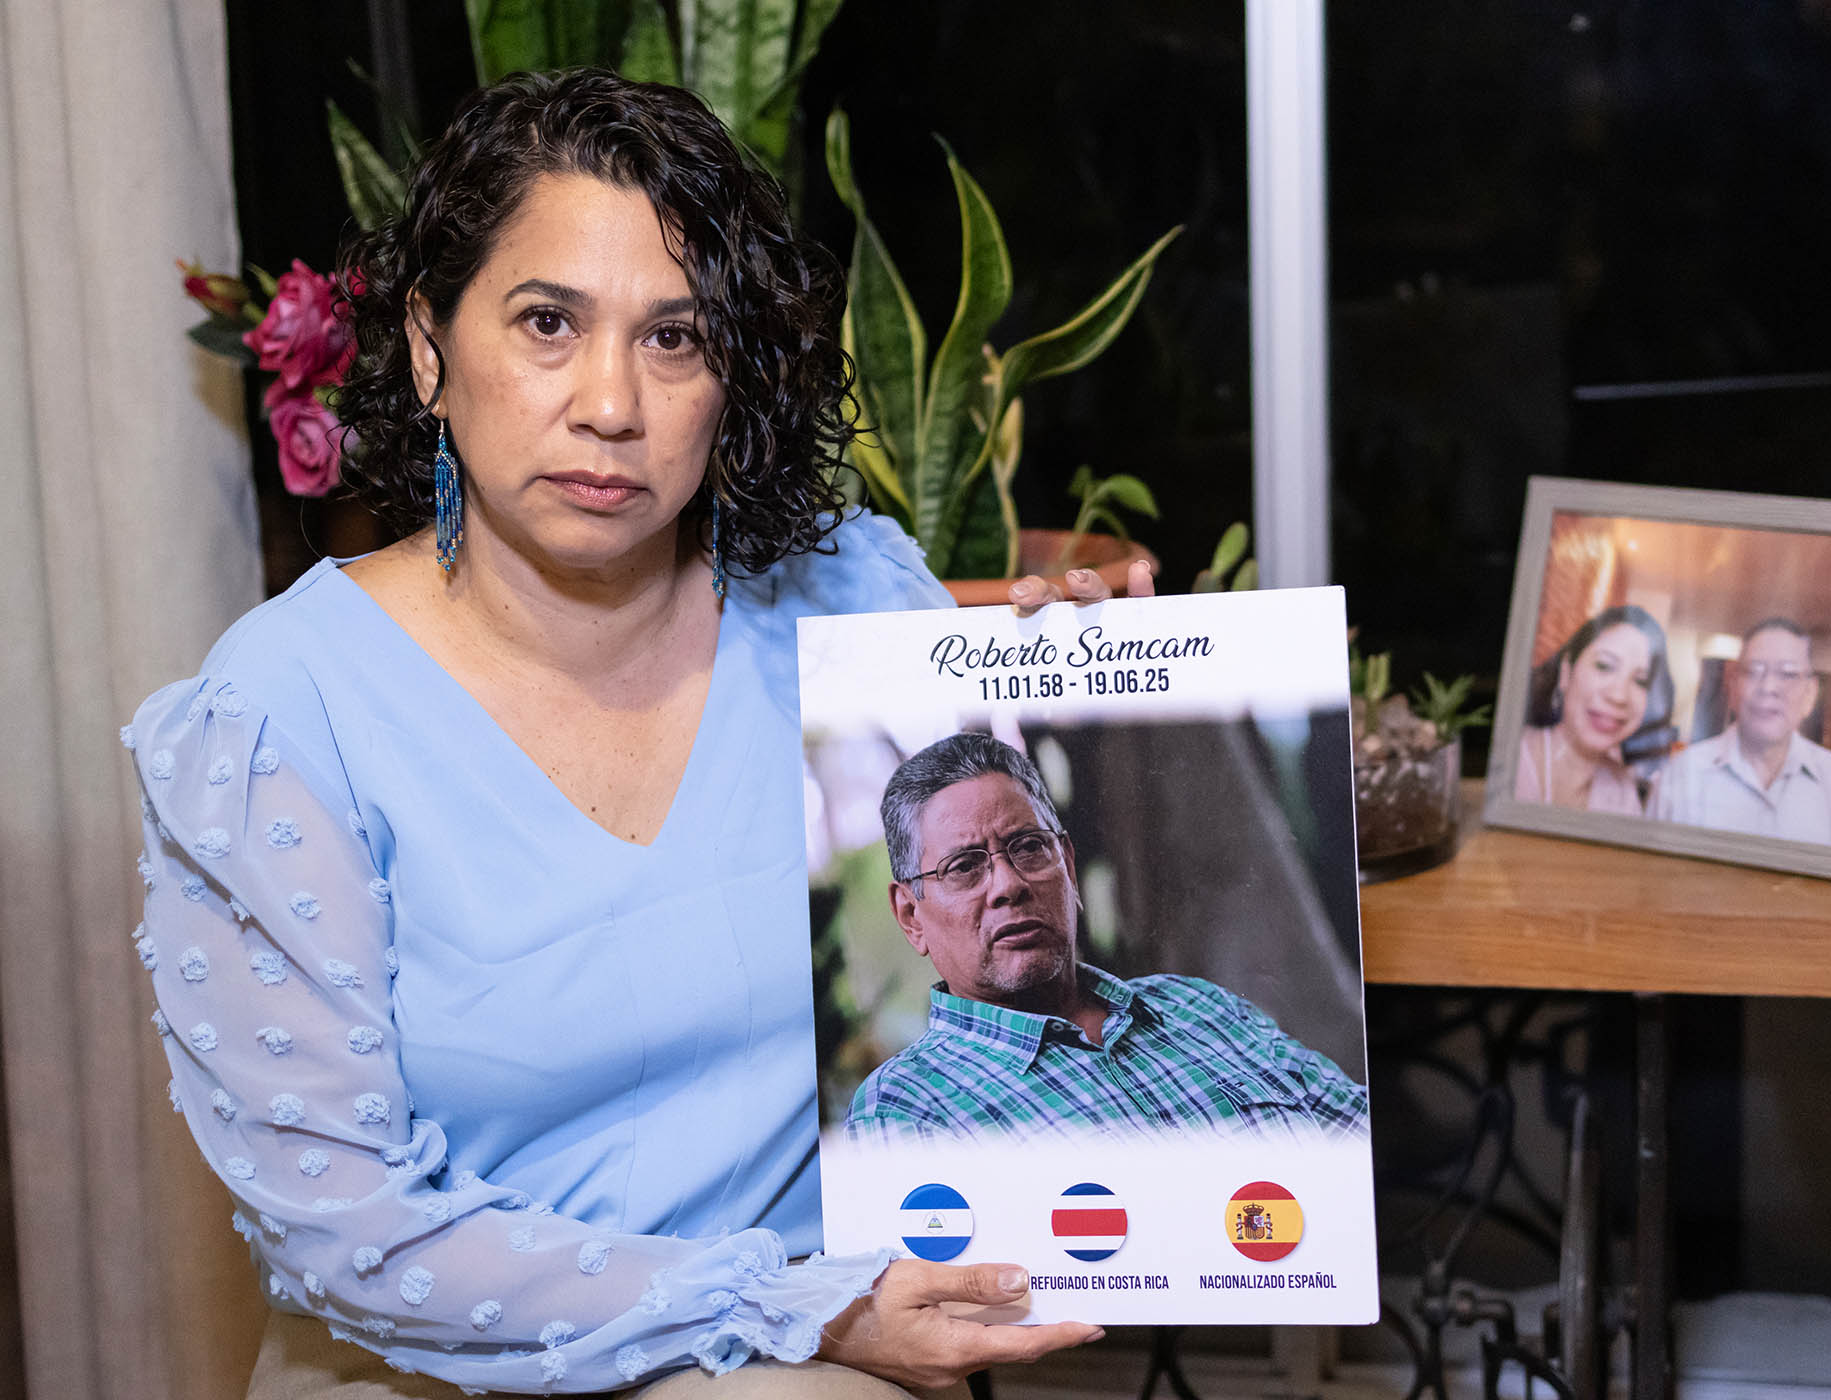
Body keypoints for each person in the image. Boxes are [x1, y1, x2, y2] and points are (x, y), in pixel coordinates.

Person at [125, 71, 1142, 1399]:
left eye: (675, 339)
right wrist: (786, 1310)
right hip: (439, 1362)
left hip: (808, 1349)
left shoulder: (847, 612)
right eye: (549, 322)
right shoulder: (278, 714)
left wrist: (1112, 694)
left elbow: (1029, 945)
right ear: (431, 348)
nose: (611, 403)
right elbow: (351, 1236)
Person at [844, 732, 1369, 1143]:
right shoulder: (908, 1109)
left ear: (1067, 865)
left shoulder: (1202, 1008)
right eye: (963, 867)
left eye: (1028, 847)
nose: (1008, 885)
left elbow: (1359, 1140)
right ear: (911, 915)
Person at [1648, 617, 1831, 845]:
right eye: (1753, 671)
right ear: (1733, 683)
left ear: (1810, 693)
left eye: (1788, 674)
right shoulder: (1680, 775)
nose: (1768, 688)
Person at [1512, 604, 1676, 814]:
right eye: (1604, 666)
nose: (1618, 696)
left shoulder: (1623, 789)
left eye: (1641, 681)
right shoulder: (1513, 758)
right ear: (1566, 672)